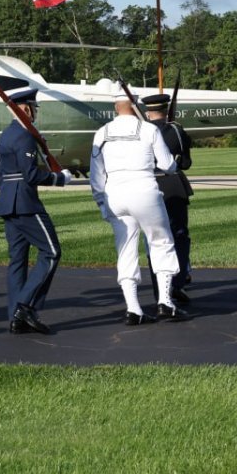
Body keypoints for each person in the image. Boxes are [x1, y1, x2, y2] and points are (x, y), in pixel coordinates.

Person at [89, 91, 190, 323]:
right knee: (161, 242)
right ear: (134, 105)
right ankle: (165, 301)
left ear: (116, 108)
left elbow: (96, 176)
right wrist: (174, 164)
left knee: (125, 250)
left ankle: (133, 308)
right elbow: (166, 164)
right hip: (143, 189)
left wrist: (101, 203)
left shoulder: (101, 133)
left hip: (114, 193)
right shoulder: (149, 129)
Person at [0, 88, 73, 334]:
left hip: (8, 202)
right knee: (51, 252)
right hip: (26, 203)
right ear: (25, 109)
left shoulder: (4, 135)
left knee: (17, 260)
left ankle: (16, 318)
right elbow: (30, 174)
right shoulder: (23, 136)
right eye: (34, 108)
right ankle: (24, 306)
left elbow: (0, 176)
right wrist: (59, 179)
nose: (35, 112)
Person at [141, 93, 194, 304]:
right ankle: (178, 283)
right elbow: (186, 162)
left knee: (154, 241)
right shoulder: (175, 130)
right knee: (178, 236)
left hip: (148, 187)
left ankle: (159, 290)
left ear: (148, 112)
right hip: (172, 186)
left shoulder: (142, 130)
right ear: (166, 110)